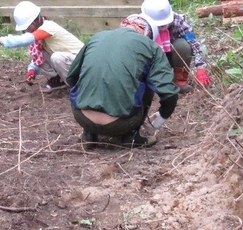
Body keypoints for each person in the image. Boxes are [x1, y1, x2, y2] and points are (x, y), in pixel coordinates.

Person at [66, 14, 180, 149]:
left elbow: (72, 77)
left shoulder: (96, 37)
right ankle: (131, 137)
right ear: (148, 33)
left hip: (81, 117)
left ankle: (89, 133)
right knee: (147, 79)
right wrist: (162, 116)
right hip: (121, 124)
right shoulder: (151, 47)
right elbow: (168, 92)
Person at [0, 1, 84, 92]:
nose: (27, 31)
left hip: (83, 62)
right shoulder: (40, 35)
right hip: (72, 62)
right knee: (42, 53)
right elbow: (39, 57)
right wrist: (32, 70)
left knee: (57, 57)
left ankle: (79, 87)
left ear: (35, 21)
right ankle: (58, 80)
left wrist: (1, 40)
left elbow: (25, 40)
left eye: (27, 28)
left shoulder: (48, 27)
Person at [141, 0, 212, 93]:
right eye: (158, 26)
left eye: (163, 25)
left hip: (170, 55)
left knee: (183, 46)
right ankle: (149, 83)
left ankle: (179, 80)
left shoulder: (178, 21)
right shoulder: (140, 25)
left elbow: (194, 43)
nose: (160, 29)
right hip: (151, 57)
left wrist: (200, 67)